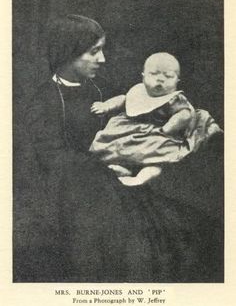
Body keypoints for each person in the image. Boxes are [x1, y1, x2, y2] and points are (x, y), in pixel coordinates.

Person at [15, 15, 223, 283]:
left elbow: (140, 125)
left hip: (126, 179)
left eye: (102, 49)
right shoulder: (44, 99)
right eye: (94, 51)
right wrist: (104, 167)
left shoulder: (103, 88)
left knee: (199, 230)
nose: (102, 59)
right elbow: (50, 157)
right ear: (68, 52)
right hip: (77, 192)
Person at [90, 52, 222, 186]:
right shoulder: (138, 92)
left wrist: (169, 128)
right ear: (143, 77)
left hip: (157, 134)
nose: (160, 79)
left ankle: (140, 178)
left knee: (155, 163)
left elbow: (184, 114)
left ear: (177, 81)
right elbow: (123, 100)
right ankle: (122, 168)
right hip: (127, 129)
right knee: (113, 147)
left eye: (168, 76)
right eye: (154, 74)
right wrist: (106, 106)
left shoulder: (173, 99)